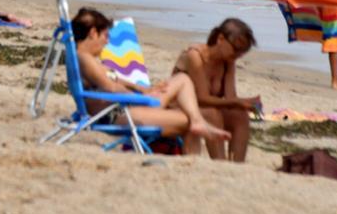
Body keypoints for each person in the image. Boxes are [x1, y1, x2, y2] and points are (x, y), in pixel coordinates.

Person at [73, 8, 229, 155]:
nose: (107, 42)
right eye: (106, 36)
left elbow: (116, 79)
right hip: (119, 114)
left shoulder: (85, 59)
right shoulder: (84, 58)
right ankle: (192, 159)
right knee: (186, 115)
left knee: (182, 83)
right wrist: (143, 99)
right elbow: (112, 88)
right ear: (93, 33)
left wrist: (144, 90)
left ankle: (197, 124)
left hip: (121, 109)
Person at [172, 19, 260, 162]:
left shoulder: (228, 62)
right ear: (220, 39)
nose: (238, 55)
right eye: (236, 49)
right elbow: (201, 98)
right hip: (181, 107)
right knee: (213, 114)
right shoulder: (195, 55)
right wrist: (237, 102)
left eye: (242, 52)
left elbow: (230, 97)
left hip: (204, 108)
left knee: (240, 115)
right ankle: (220, 162)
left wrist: (246, 103)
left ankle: (237, 164)